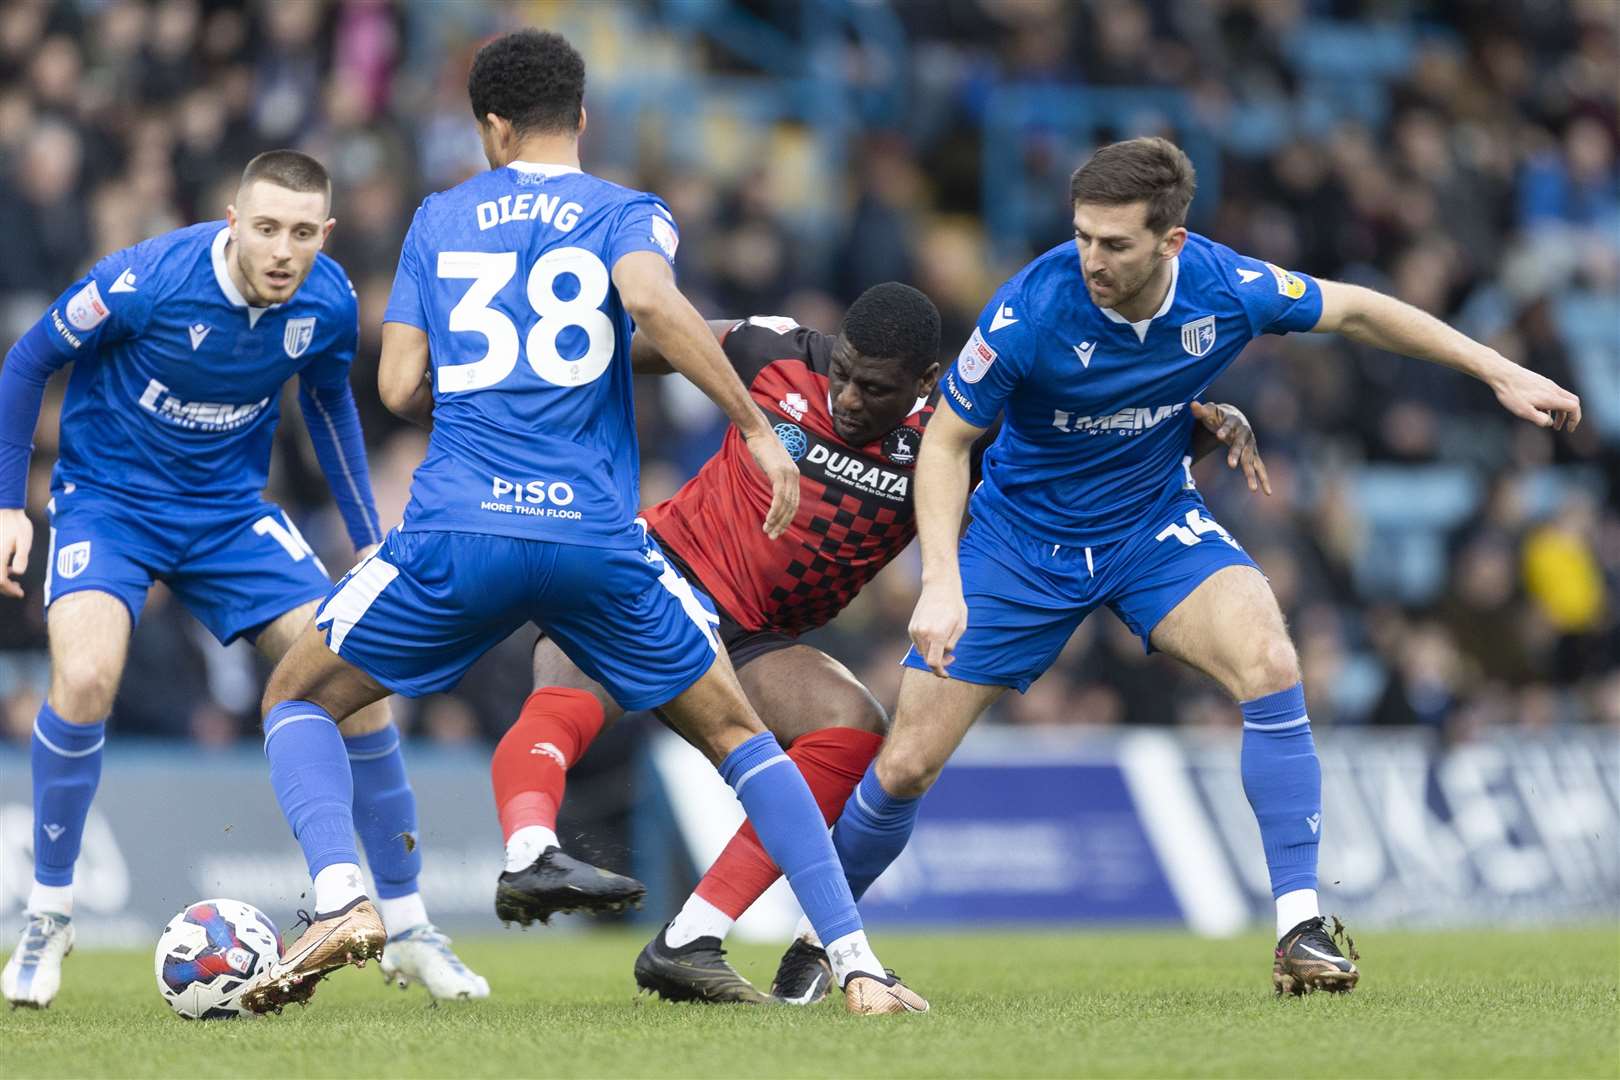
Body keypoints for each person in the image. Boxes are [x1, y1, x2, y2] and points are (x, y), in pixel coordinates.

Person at [243, 29, 925, 1017]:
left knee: (298, 697)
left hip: (458, 532)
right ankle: (855, 964)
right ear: (583, 120)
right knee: (745, 743)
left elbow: (396, 387)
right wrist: (752, 426)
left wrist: (491, 378)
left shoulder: (440, 215)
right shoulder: (628, 211)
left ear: (492, 126)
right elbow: (650, 300)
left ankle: (346, 896)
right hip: (598, 543)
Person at [826, 137, 1583, 997]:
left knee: (1269, 659)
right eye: (1082, 236)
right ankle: (825, 950)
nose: (1091, 260)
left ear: (1171, 242)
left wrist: (1497, 369)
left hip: (1150, 527)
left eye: (1115, 244)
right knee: (906, 766)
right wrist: (941, 581)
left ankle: (1299, 926)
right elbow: (948, 440)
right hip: (1019, 544)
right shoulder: (1030, 308)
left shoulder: (1226, 287)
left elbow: (1360, 310)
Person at [489, 283, 1266, 1004]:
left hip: (755, 637)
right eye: (847, 376)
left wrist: (1189, 431)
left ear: (926, 378)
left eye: (876, 387)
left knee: (852, 727)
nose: (850, 398)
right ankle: (529, 848)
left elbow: (1075, 466)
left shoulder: (954, 434)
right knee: (565, 695)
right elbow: (663, 336)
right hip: (657, 572)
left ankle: (692, 937)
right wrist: (552, 386)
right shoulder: (773, 350)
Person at [0, 150, 485, 1007]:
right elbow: (26, 362)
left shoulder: (328, 301)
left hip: (228, 512)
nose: (282, 250)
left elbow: (331, 405)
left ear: (324, 235)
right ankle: (48, 913)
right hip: (108, 502)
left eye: (302, 232)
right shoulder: (144, 281)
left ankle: (407, 926)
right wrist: (9, 506)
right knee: (83, 676)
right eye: (265, 228)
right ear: (233, 222)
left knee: (357, 681)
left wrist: (367, 538)